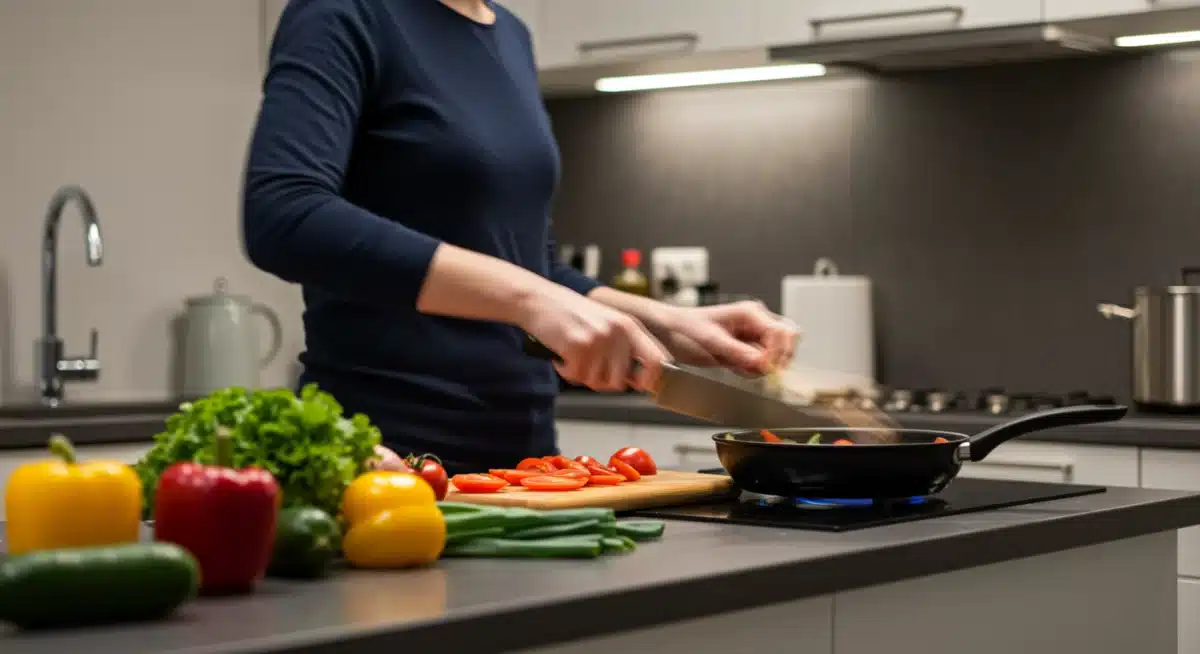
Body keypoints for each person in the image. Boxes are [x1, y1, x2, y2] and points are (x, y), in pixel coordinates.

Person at [241, 0, 799, 475]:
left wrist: (675, 324)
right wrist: (532, 300)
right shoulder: (343, 13)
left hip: (527, 466)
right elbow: (285, 213)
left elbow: (533, 266)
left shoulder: (509, 34)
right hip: (386, 461)